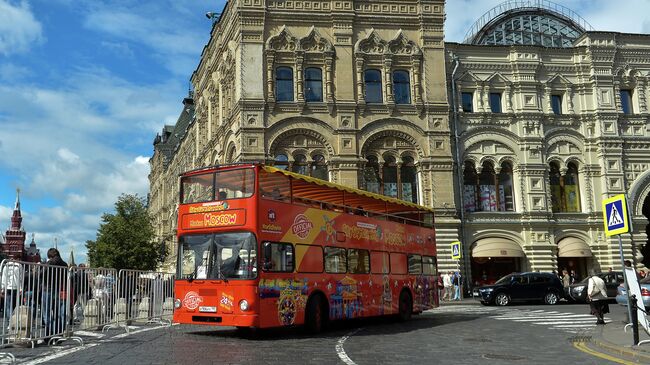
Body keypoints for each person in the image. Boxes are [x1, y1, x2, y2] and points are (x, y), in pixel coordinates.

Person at [42, 248, 68, 336]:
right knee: (57, 313)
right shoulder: (64, 264)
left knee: (47, 313)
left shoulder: (50, 263)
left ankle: (50, 333)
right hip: (57, 289)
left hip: (47, 288)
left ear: (50, 255)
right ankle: (58, 332)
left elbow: (42, 274)